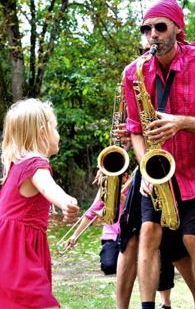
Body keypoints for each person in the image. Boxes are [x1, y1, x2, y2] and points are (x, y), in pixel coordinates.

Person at [122, 0, 195, 309]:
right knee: (149, 232)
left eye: (159, 27)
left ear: (176, 29)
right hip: (157, 170)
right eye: (146, 29)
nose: (152, 34)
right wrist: (145, 167)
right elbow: (135, 129)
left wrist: (179, 123)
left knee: (194, 240)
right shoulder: (134, 72)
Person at [0, 98, 80, 308]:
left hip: (12, 249)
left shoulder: (15, 166)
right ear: (42, 132)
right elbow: (47, 187)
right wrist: (65, 201)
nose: (58, 133)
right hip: (19, 252)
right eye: (55, 127)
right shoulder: (35, 164)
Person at [64, 173, 131, 275]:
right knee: (109, 267)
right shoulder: (106, 188)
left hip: (131, 235)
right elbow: (90, 214)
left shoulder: (135, 186)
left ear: (126, 177)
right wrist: (75, 235)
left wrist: (122, 199)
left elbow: (140, 213)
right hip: (112, 235)